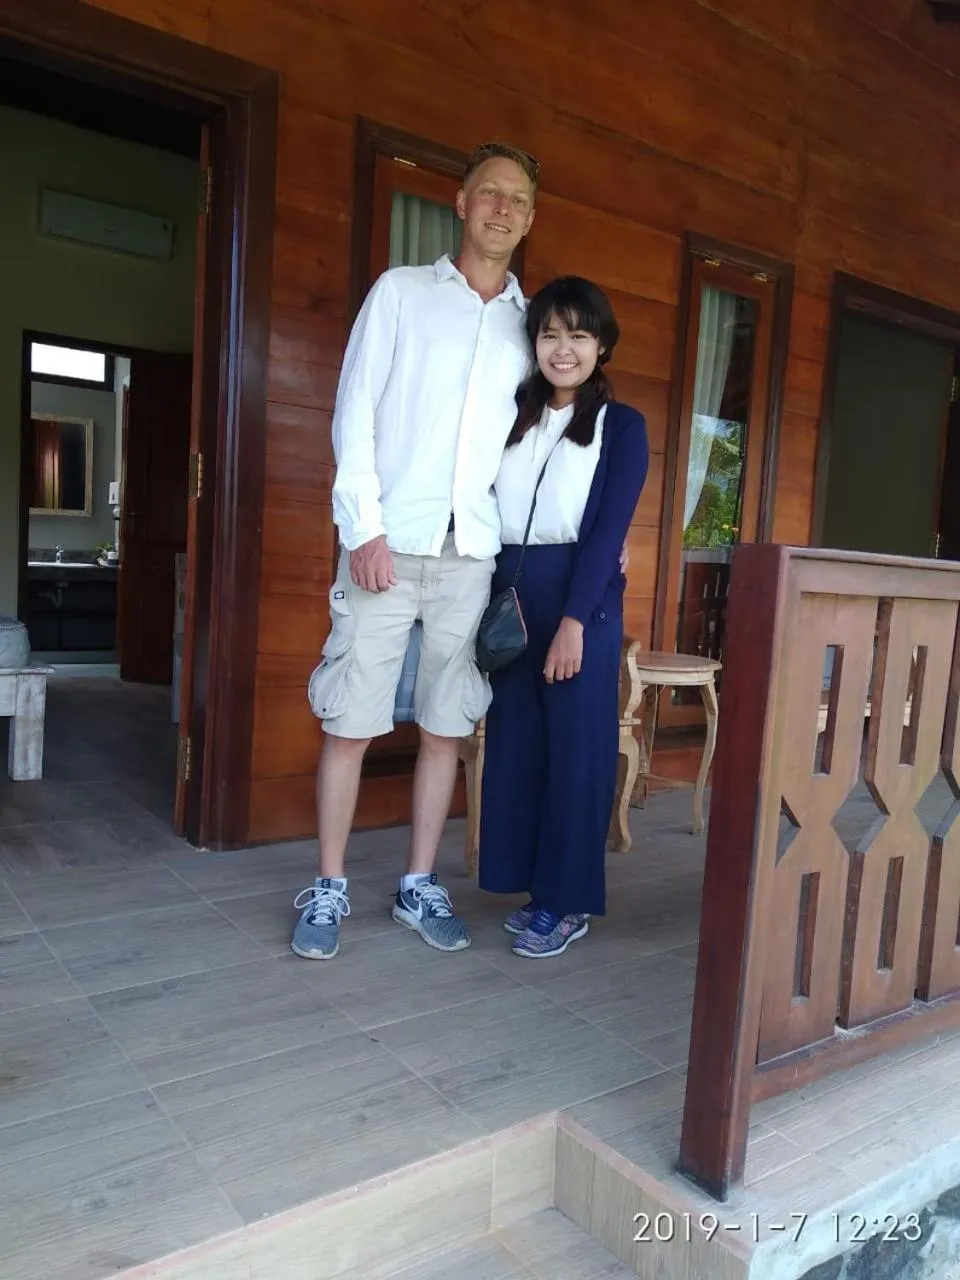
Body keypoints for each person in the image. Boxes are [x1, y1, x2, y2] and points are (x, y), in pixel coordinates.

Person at [290, 141, 539, 961]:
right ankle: (328, 888)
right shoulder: (399, 295)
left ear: (529, 220)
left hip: (471, 556)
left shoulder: (528, 327)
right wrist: (361, 525)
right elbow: (354, 408)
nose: (504, 209)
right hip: (387, 548)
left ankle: (417, 884)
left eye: (520, 201)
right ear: (461, 203)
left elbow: (531, 449)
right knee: (352, 720)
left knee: (445, 724)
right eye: (491, 193)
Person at [478, 276, 649, 958]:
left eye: (579, 334)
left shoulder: (622, 425)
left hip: (583, 592)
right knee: (519, 747)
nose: (564, 348)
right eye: (551, 333)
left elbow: (609, 533)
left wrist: (577, 620)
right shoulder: (512, 416)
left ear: (601, 345)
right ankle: (532, 888)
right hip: (513, 588)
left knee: (577, 753)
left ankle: (568, 900)